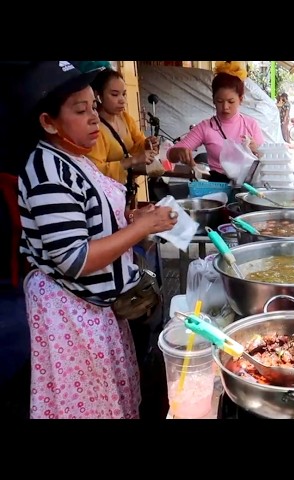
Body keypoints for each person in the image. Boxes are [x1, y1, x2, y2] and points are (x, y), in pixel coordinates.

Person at [16, 61, 178, 419]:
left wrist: (133, 217)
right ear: (48, 122)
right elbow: (75, 258)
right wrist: (139, 230)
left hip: (98, 308)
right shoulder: (47, 171)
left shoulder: (77, 158)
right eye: (80, 110)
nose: (94, 118)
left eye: (93, 106)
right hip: (70, 313)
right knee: (88, 406)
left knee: (108, 400)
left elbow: (90, 220)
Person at [167, 61, 264, 182]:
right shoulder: (206, 127)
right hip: (217, 188)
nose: (225, 107)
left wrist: (257, 150)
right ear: (213, 100)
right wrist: (178, 152)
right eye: (219, 101)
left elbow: (266, 160)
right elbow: (170, 155)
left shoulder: (251, 125)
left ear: (241, 99)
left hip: (247, 188)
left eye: (231, 101)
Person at [86, 68, 158, 201]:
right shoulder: (95, 129)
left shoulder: (125, 118)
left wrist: (148, 144)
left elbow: (138, 144)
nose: (122, 100)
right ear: (98, 95)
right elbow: (94, 171)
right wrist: (132, 161)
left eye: (124, 94)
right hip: (107, 198)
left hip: (127, 192)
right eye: (114, 94)